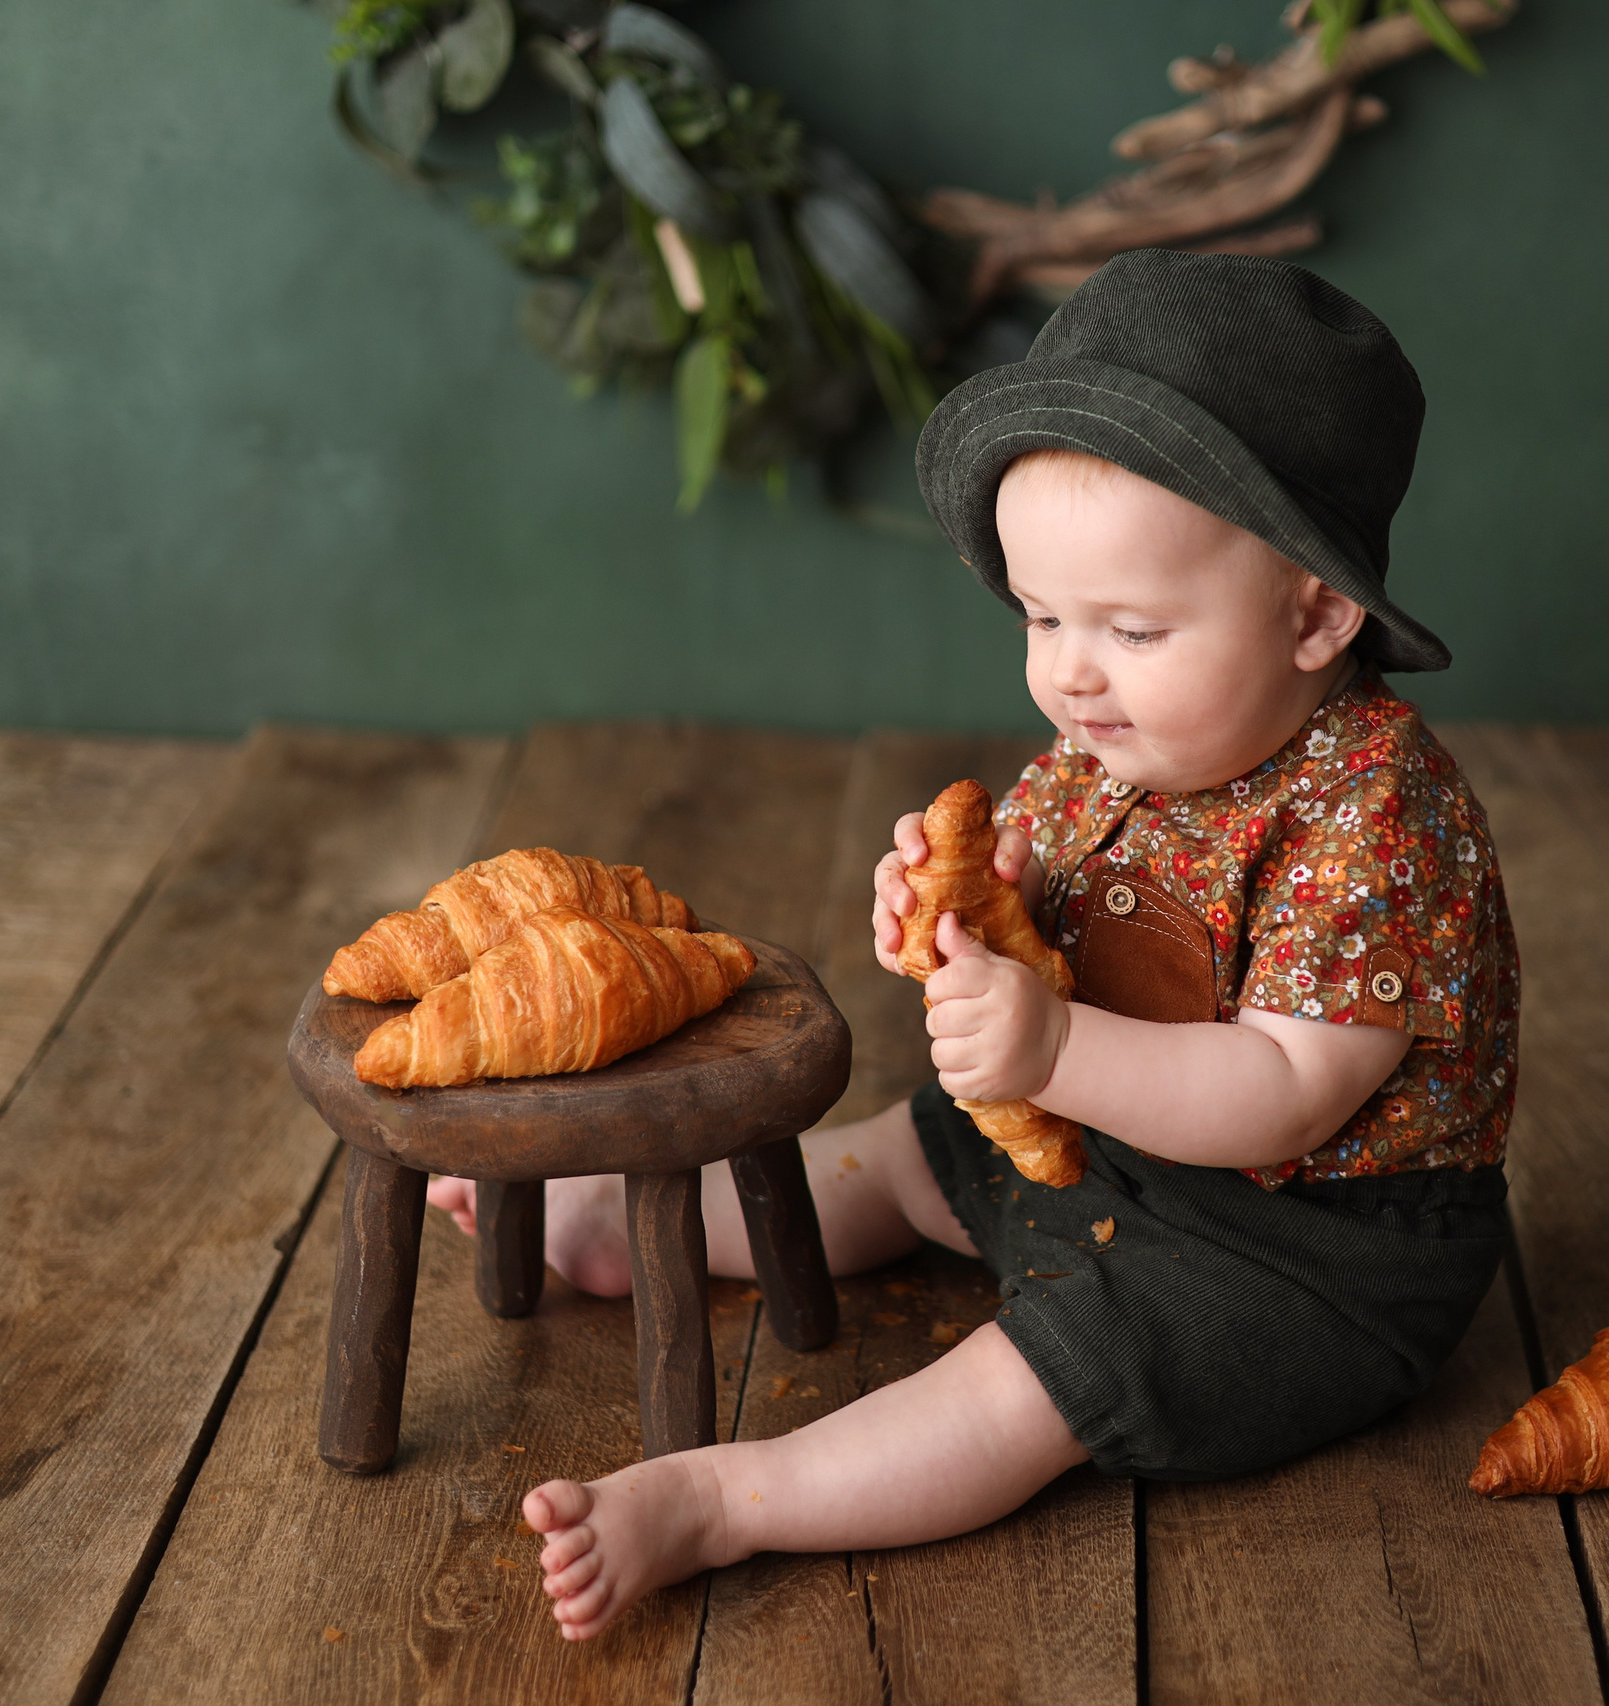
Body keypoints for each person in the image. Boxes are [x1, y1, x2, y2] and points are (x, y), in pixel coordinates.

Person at [427, 250, 1520, 1640]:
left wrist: (1052, 1044)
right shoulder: (1109, 745)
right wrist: (945, 908)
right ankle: (614, 1231)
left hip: (1302, 1246)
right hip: (1109, 1145)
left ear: (1315, 613)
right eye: (1043, 617)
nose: (1070, 671)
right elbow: (1030, 901)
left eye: (1131, 627)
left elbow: (1286, 1089)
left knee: (1041, 1371)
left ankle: (723, 1499)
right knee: (904, 1154)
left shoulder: (1377, 814)